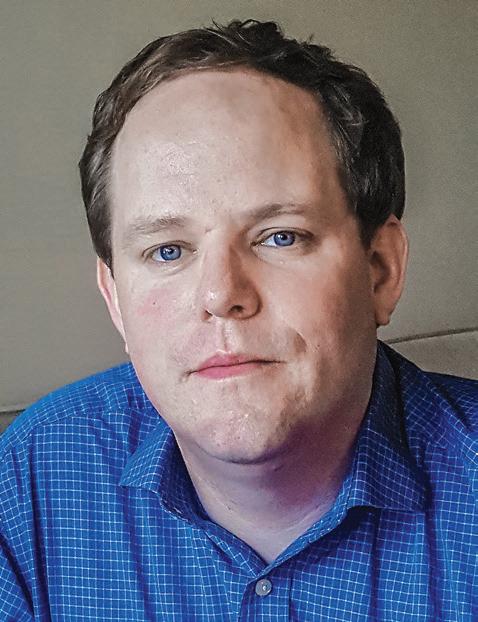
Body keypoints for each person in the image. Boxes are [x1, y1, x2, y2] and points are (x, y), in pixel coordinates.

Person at [0, 19, 476, 621]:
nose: (221, 294)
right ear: (115, 299)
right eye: (167, 251)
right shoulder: (31, 479)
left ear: (380, 270)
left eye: (280, 236)